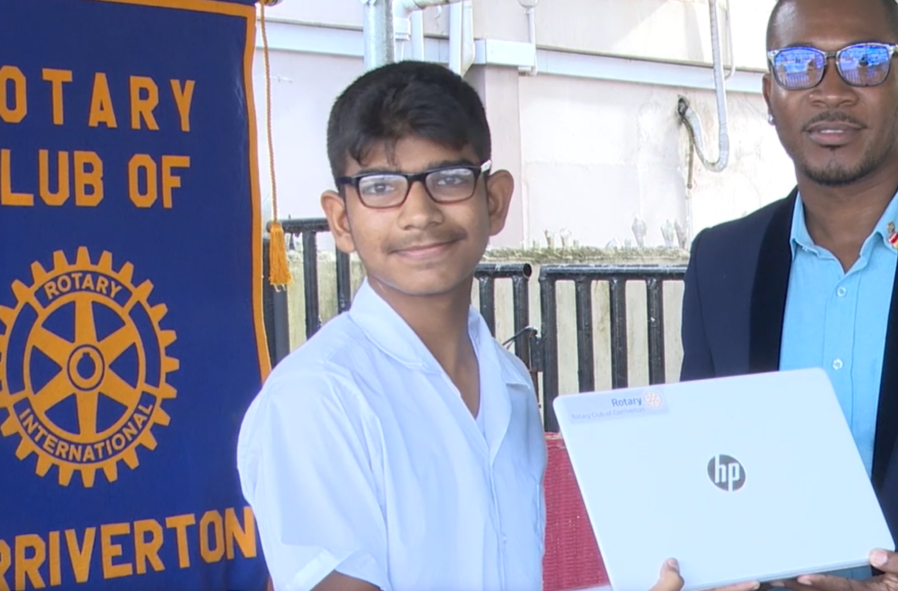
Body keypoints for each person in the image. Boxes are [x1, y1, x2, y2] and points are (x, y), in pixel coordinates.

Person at [237, 61, 695, 591]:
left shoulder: (509, 382)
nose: (419, 213)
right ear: (341, 220)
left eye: (449, 179)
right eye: (380, 187)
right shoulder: (317, 399)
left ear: (494, 200)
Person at [680, 0, 898, 591]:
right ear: (769, 95)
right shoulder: (720, 264)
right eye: (799, 65)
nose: (831, 91)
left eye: (865, 62)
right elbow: (701, 468)